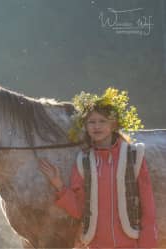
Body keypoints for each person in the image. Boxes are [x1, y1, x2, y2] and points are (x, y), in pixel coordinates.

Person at [39, 88, 157, 248]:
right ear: (85, 127)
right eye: (91, 122)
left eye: (102, 121)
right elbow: (80, 210)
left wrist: (147, 245)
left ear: (113, 124)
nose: (97, 126)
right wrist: (59, 185)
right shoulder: (83, 162)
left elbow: (148, 207)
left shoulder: (133, 156)